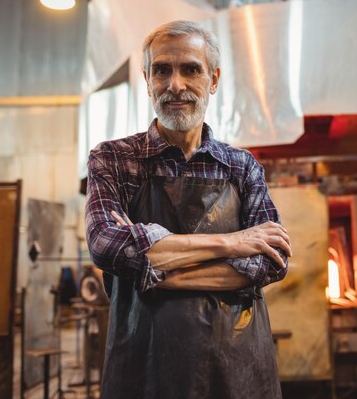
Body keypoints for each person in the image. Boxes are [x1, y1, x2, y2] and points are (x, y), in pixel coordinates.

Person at [85, 20, 291, 399]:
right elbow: (106, 244)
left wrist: (151, 271)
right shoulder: (114, 159)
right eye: (162, 70)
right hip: (143, 373)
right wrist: (234, 243)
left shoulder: (242, 166)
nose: (175, 84)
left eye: (190, 69)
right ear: (147, 80)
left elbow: (270, 261)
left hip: (237, 373)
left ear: (212, 80)